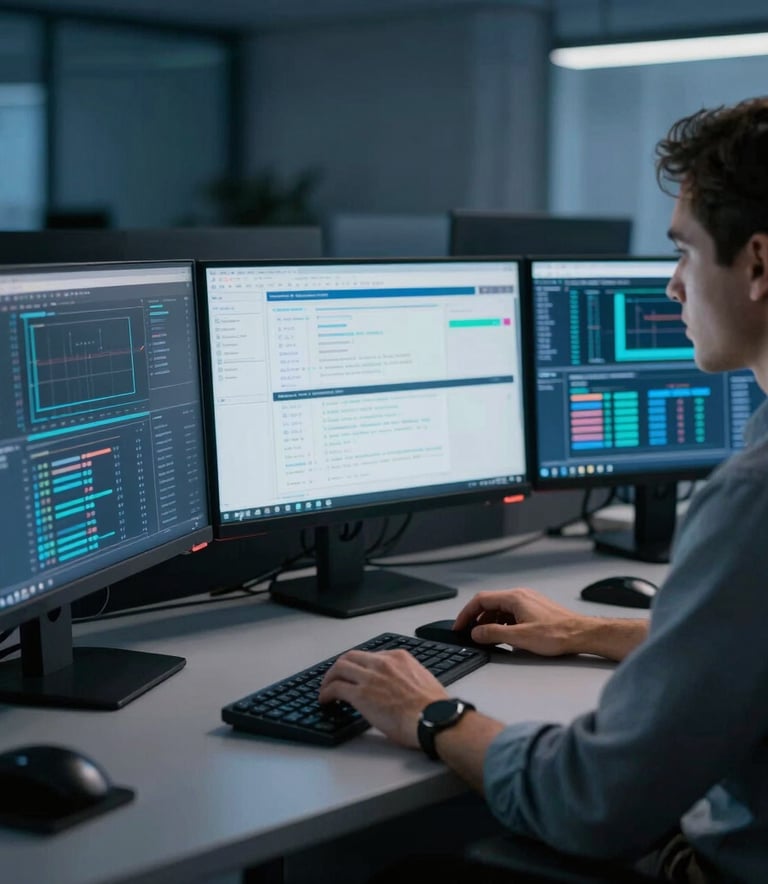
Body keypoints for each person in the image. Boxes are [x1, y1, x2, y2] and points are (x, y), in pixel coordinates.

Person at [319, 96, 768, 884]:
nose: (671, 287)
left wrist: (430, 713)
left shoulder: (751, 502)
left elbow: (595, 801)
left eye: (685, 253)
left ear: (758, 264)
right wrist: (590, 631)